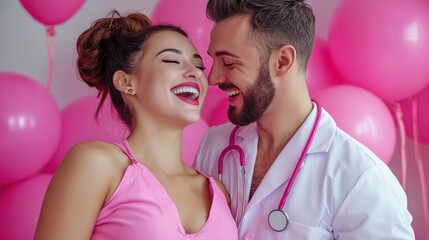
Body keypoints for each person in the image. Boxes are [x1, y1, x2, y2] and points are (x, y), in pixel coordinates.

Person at [193, 0, 415, 239]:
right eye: (213, 61)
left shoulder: (361, 178)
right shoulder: (214, 144)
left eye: (228, 63)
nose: (213, 78)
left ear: (283, 61)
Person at [35, 10, 238, 240]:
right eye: (172, 60)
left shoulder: (219, 192)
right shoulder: (97, 163)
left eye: (199, 66)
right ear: (126, 82)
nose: (195, 73)